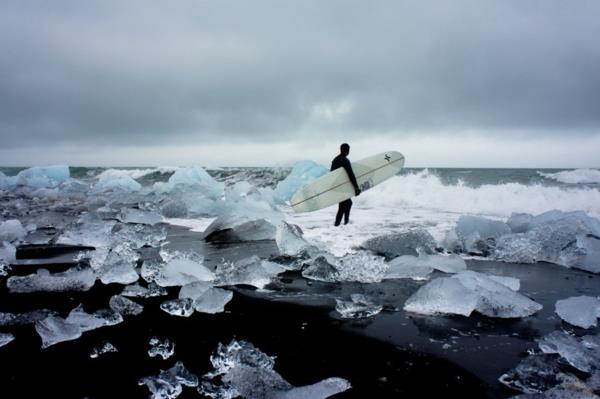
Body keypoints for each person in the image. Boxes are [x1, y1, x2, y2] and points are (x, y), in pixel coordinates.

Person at [331, 143, 361, 226]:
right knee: (347, 204)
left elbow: (331, 175)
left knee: (343, 205)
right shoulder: (345, 160)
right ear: (347, 151)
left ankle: (339, 224)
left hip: (336, 186)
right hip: (341, 187)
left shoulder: (335, 160)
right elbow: (351, 174)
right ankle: (345, 223)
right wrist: (356, 187)